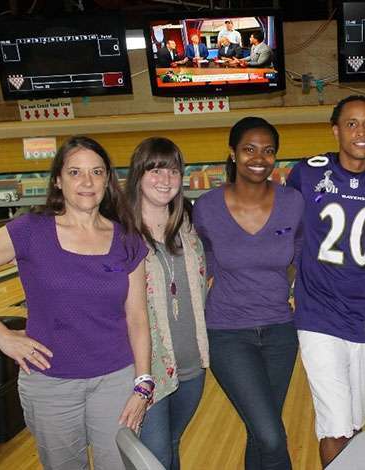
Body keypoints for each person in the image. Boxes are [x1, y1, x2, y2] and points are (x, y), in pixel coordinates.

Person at [0, 136, 151, 469]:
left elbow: (137, 318)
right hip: (51, 384)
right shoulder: (28, 231)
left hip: (116, 379)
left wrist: (143, 383)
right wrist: (0, 336)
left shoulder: (127, 239)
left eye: (97, 172)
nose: (87, 182)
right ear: (58, 179)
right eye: (75, 172)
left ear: (108, 179)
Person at [286, 95, 365, 466]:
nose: (361, 132)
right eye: (351, 123)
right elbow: (286, 233)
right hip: (318, 316)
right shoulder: (306, 173)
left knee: (353, 422)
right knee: (334, 426)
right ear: (335, 130)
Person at [194, 117, 303, 470]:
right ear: (233, 153)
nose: (260, 158)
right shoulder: (207, 208)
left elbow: (302, 257)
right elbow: (199, 264)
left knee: (261, 433)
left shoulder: (293, 203)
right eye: (249, 149)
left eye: (268, 150)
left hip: (280, 333)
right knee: (271, 435)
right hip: (228, 333)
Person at [126, 138, 209, 470]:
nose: (165, 178)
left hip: (192, 364)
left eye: (172, 170)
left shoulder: (188, 229)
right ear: (138, 176)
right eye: (155, 169)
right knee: (155, 457)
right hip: (148, 369)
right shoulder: (121, 234)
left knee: (172, 446)